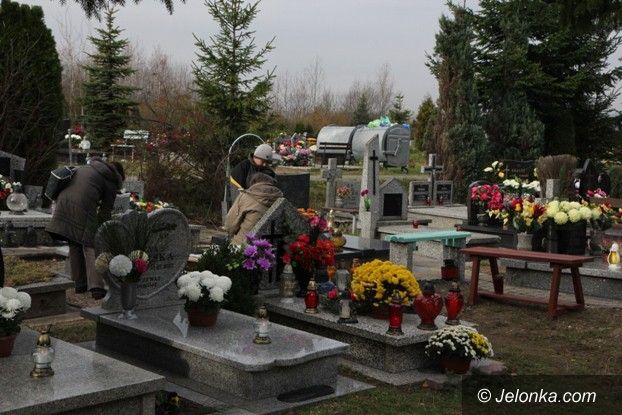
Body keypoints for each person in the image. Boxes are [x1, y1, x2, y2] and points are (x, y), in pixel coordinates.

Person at [46, 157, 124, 299]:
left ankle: (79, 284)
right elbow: (106, 210)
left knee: (74, 241)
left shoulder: (87, 168)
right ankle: (97, 287)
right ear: (118, 175)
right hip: (82, 206)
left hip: (62, 202)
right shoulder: (110, 179)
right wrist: (103, 230)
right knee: (91, 245)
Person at [224, 172, 283, 245]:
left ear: (253, 183)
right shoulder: (280, 200)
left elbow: (230, 225)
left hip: (244, 245)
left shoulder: (245, 197)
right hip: (270, 246)